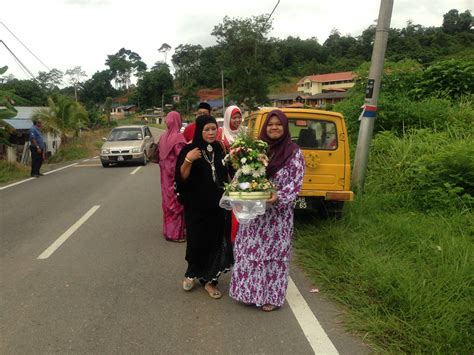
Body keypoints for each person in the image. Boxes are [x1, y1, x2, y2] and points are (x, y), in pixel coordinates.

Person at [229, 109, 305, 312]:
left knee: (274, 256)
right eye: (270, 124)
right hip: (254, 215)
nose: (274, 127)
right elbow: (241, 174)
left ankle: (270, 296)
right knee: (249, 252)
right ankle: (248, 293)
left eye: (278, 124)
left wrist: (278, 196)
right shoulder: (255, 148)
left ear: (285, 127)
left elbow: (296, 182)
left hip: (277, 218)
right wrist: (236, 192)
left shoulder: (293, 152)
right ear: (265, 127)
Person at [175, 115, 233, 299]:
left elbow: (226, 173)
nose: (210, 133)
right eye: (206, 129)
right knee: (197, 241)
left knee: (216, 242)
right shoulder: (189, 149)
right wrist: (189, 160)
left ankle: (210, 281)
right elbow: (181, 178)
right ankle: (191, 273)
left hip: (219, 206)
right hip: (196, 207)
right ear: (200, 130)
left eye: (213, 129)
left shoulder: (219, 148)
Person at [158, 111, 187, 242]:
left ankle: (167, 231)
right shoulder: (178, 138)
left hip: (164, 177)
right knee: (177, 203)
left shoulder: (163, 137)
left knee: (167, 204)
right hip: (175, 177)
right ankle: (175, 234)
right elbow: (182, 157)